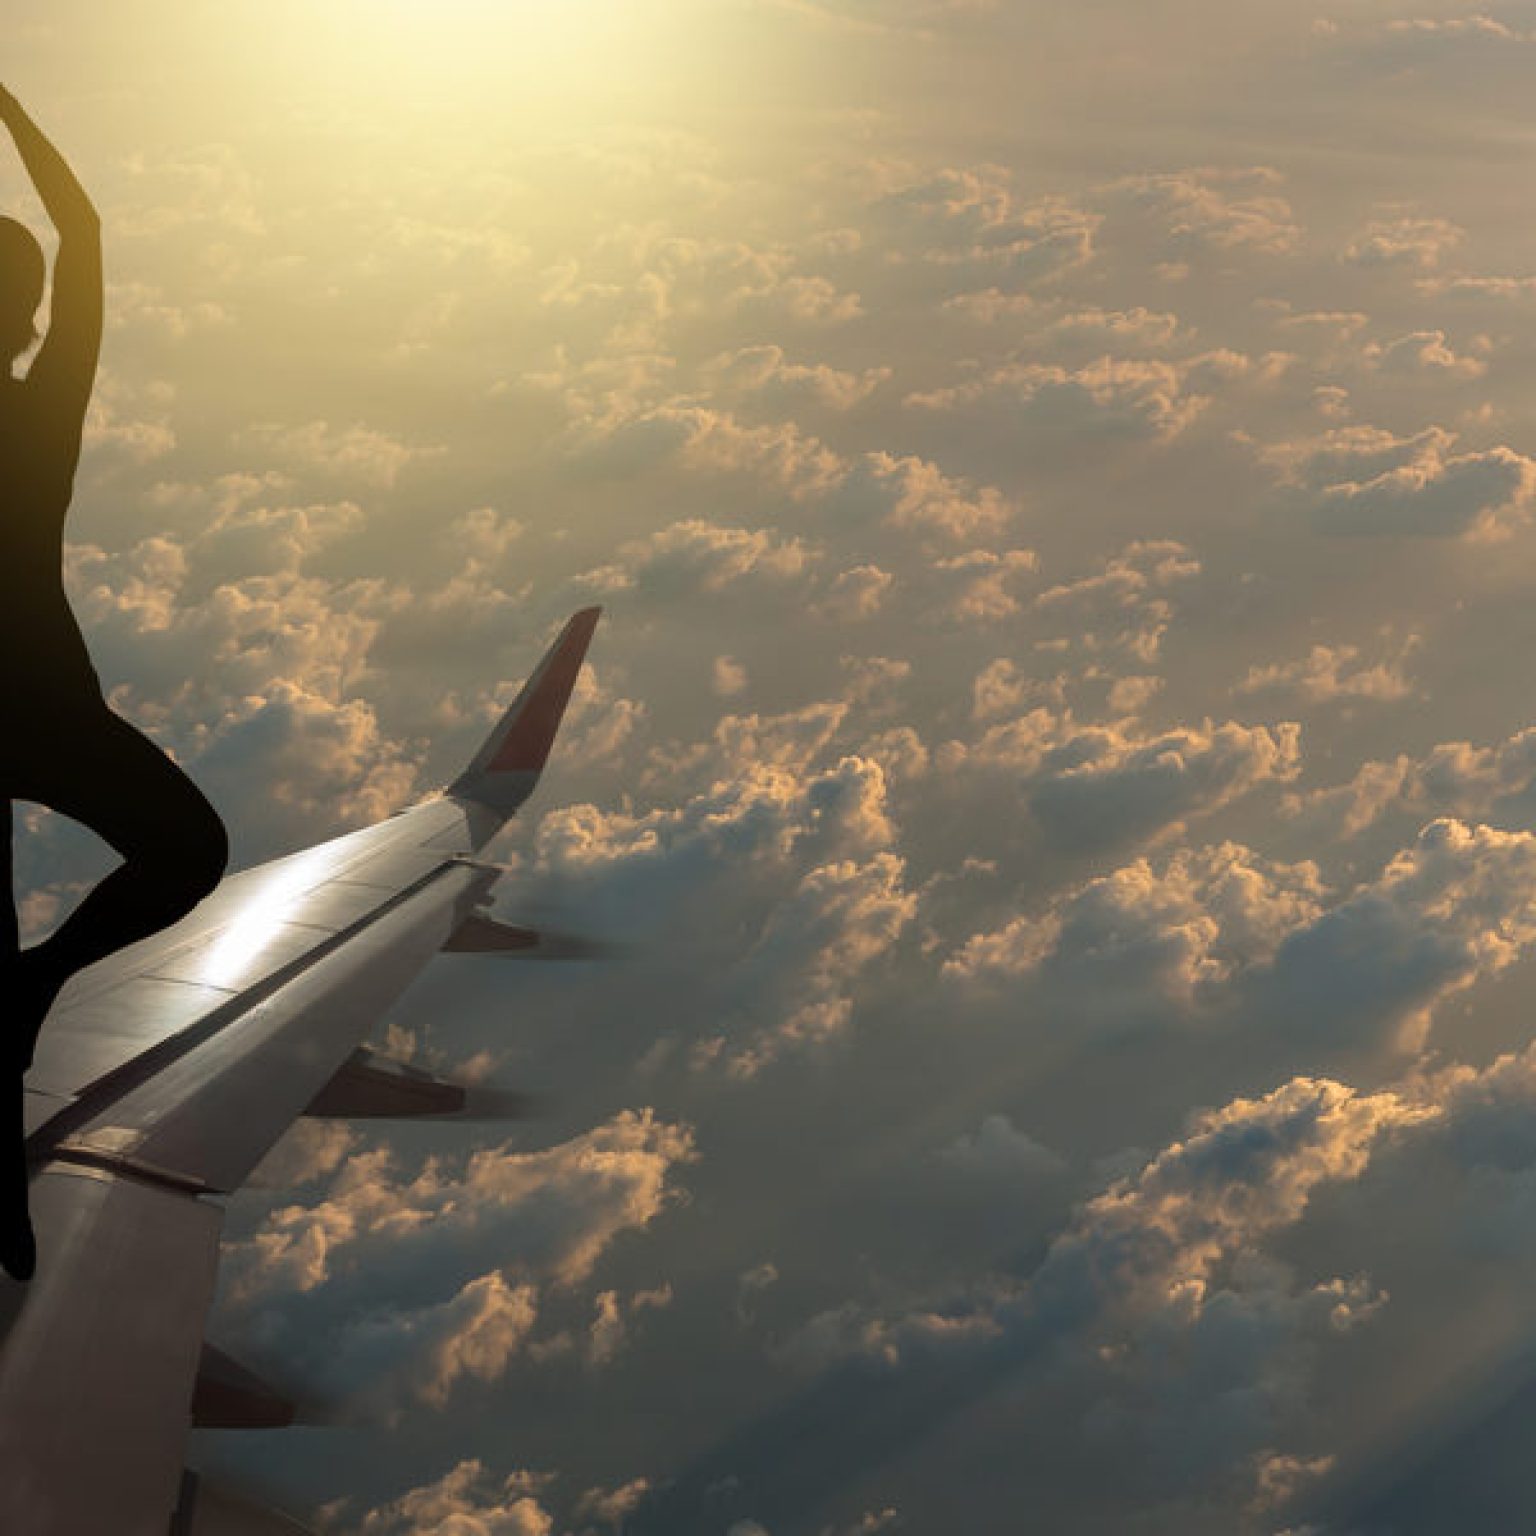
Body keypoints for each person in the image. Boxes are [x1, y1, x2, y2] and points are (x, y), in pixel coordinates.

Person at [0, 85, 229, 1282]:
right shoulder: (46, 401)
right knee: (188, 851)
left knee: (191, 851)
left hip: (46, 707)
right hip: (44, 708)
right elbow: (78, 235)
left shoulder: (41, 406)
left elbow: (76, 243)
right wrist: (10, 115)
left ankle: (27, 995)